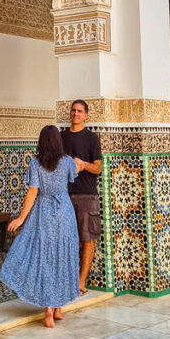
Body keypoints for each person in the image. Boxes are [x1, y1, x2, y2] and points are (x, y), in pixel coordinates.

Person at [0, 125, 80, 328]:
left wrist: (21, 218)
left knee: (45, 257)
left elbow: (32, 194)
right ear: (58, 142)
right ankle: (59, 307)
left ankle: (49, 312)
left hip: (43, 213)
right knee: (63, 256)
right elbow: (75, 171)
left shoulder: (36, 164)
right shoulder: (67, 162)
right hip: (64, 214)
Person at [60, 99, 102, 296]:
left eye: (79, 111)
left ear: (86, 115)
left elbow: (98, 167)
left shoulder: (91, 138)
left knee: (87, 239)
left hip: (87, 194)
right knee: (65, 239)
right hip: (64, 195)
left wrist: (83, 165)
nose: (75, 113)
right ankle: (66, 278)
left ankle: (81, 281)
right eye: (73, 110)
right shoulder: (61, 137)